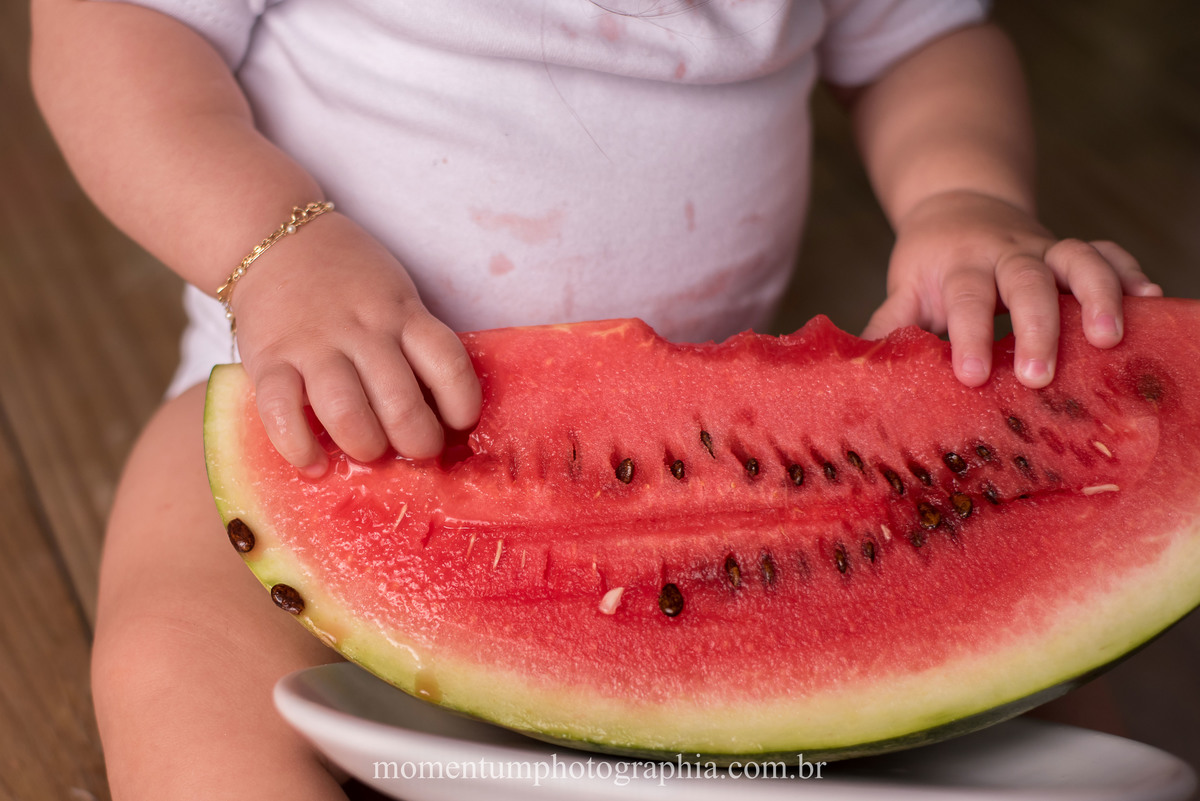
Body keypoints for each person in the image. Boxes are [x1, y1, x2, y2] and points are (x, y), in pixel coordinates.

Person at [30, 0, 1160, 797]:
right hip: (325, 404)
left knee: (1032, 679)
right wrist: (276, 250)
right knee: (175, 658)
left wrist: (963, 195)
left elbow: (922, 40)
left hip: (705, 473)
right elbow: (112, 30)